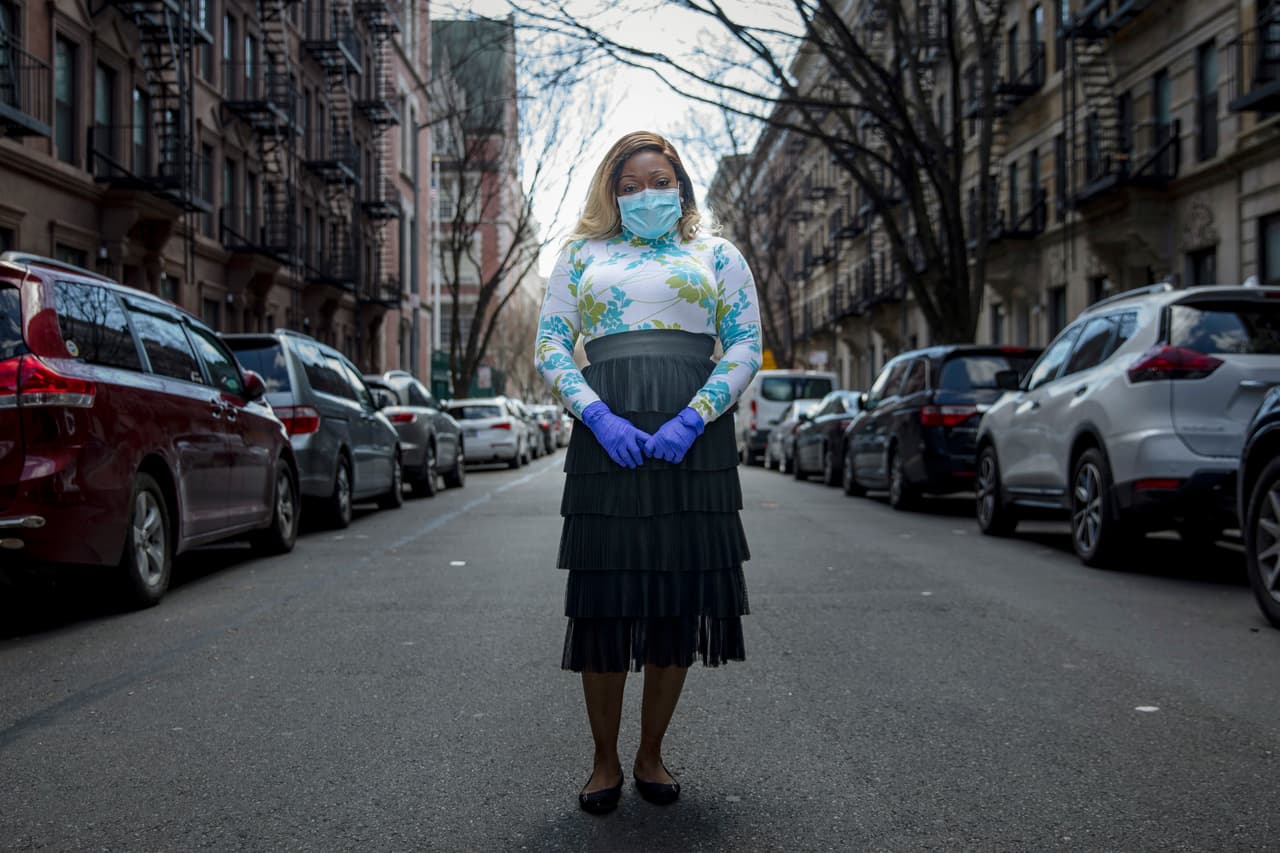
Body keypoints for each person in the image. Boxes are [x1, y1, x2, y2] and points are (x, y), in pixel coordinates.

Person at [534, 130, 762, 815]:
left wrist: (697, 414)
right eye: (629, 186)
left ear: (682, 187)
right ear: (611, 193)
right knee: (604, 602)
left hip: (696, 447)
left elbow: (746, 342)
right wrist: (597, 415)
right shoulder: (580, 254)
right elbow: (550, 342)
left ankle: (650, 751)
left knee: (676, 600)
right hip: (608, 445)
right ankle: (603, 759)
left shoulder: (718, 255)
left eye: (657, 181)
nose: (644, 195)